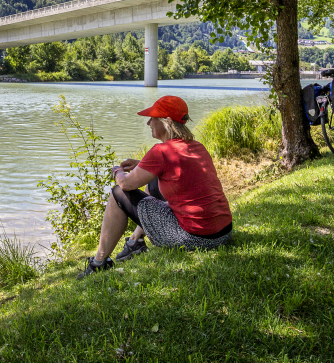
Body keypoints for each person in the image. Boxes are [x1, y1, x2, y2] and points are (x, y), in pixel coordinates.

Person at [78, 96, 233, 278]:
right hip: (223, 234)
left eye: (152, 118)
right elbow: (172, 168)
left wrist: (117, 171)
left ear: (167, 122)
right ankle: (135, 241)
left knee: (118, 193)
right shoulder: (197, 147)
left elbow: (126, 184)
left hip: (195, 239)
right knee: (153, 180)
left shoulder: (161, 151)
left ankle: (99, 262)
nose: (148, 123)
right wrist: (142, 164)